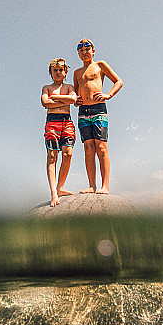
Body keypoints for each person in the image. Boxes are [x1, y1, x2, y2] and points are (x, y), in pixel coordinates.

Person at [73, 38, 123, 195]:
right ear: (78, 54)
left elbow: (118, 81)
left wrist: (108, 95)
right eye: (81, 50)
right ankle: (92, 185)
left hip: (99, 109)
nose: (84, 52)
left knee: (101, 147)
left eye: (87, 49)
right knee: (88, 148)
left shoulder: (100, 65)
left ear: (93, 51)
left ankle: (105, 186)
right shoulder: (76, 72)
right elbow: (76, 92)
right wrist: (76, 100)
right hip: (83, 112)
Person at [41, 58, 78, 206]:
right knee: (52, 156)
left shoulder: (69, 86)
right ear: (50, 72)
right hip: (52, 122)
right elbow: (45, 102)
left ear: (65, 72)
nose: (58, 73)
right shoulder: (46, 88)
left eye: (60, 70)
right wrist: (65, 100)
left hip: (66, 121)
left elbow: (73, 99)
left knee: (68, 153)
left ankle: (60, 187)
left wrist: (55, 98)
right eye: (55, 70)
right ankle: (54, 193)